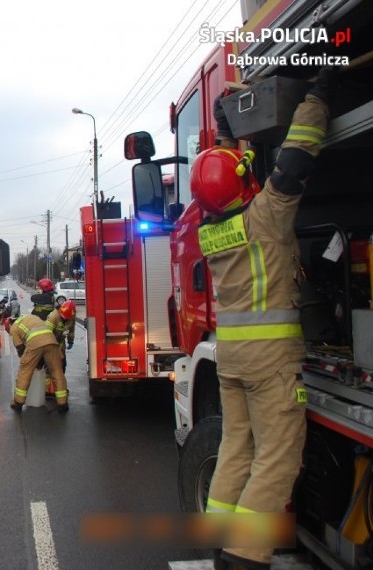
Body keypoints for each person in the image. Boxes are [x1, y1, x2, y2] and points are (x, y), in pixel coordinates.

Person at [194, 68, 335, 570]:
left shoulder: (212, 229)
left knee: (237, 448)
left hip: (232, 356)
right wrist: (319, 93)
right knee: (278, 456)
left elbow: (223, 176)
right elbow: (296, 156)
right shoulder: (267, 214)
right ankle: (244, 556)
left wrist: (226, 126)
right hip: (271, 361)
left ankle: (219, 538)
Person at [8, 313, 69, 412]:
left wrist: (28, 361)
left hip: (35, 342)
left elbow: (21, 349)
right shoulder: (32, 317)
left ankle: (18, 402)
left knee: (25, 371)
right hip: (51, 341)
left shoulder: (13, 328)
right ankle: (63, 403)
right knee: (57, 371)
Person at [44, 299, 75, 399]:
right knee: (49, 369)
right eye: (64, 317)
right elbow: (46, 334)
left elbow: (71, 330)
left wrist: (70, 340)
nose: (65, 319)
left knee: (62, 367)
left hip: (61, 347)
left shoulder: (71, 316)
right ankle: (47, 390)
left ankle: (60, 387)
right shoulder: (53, 317)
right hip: (51, 346)